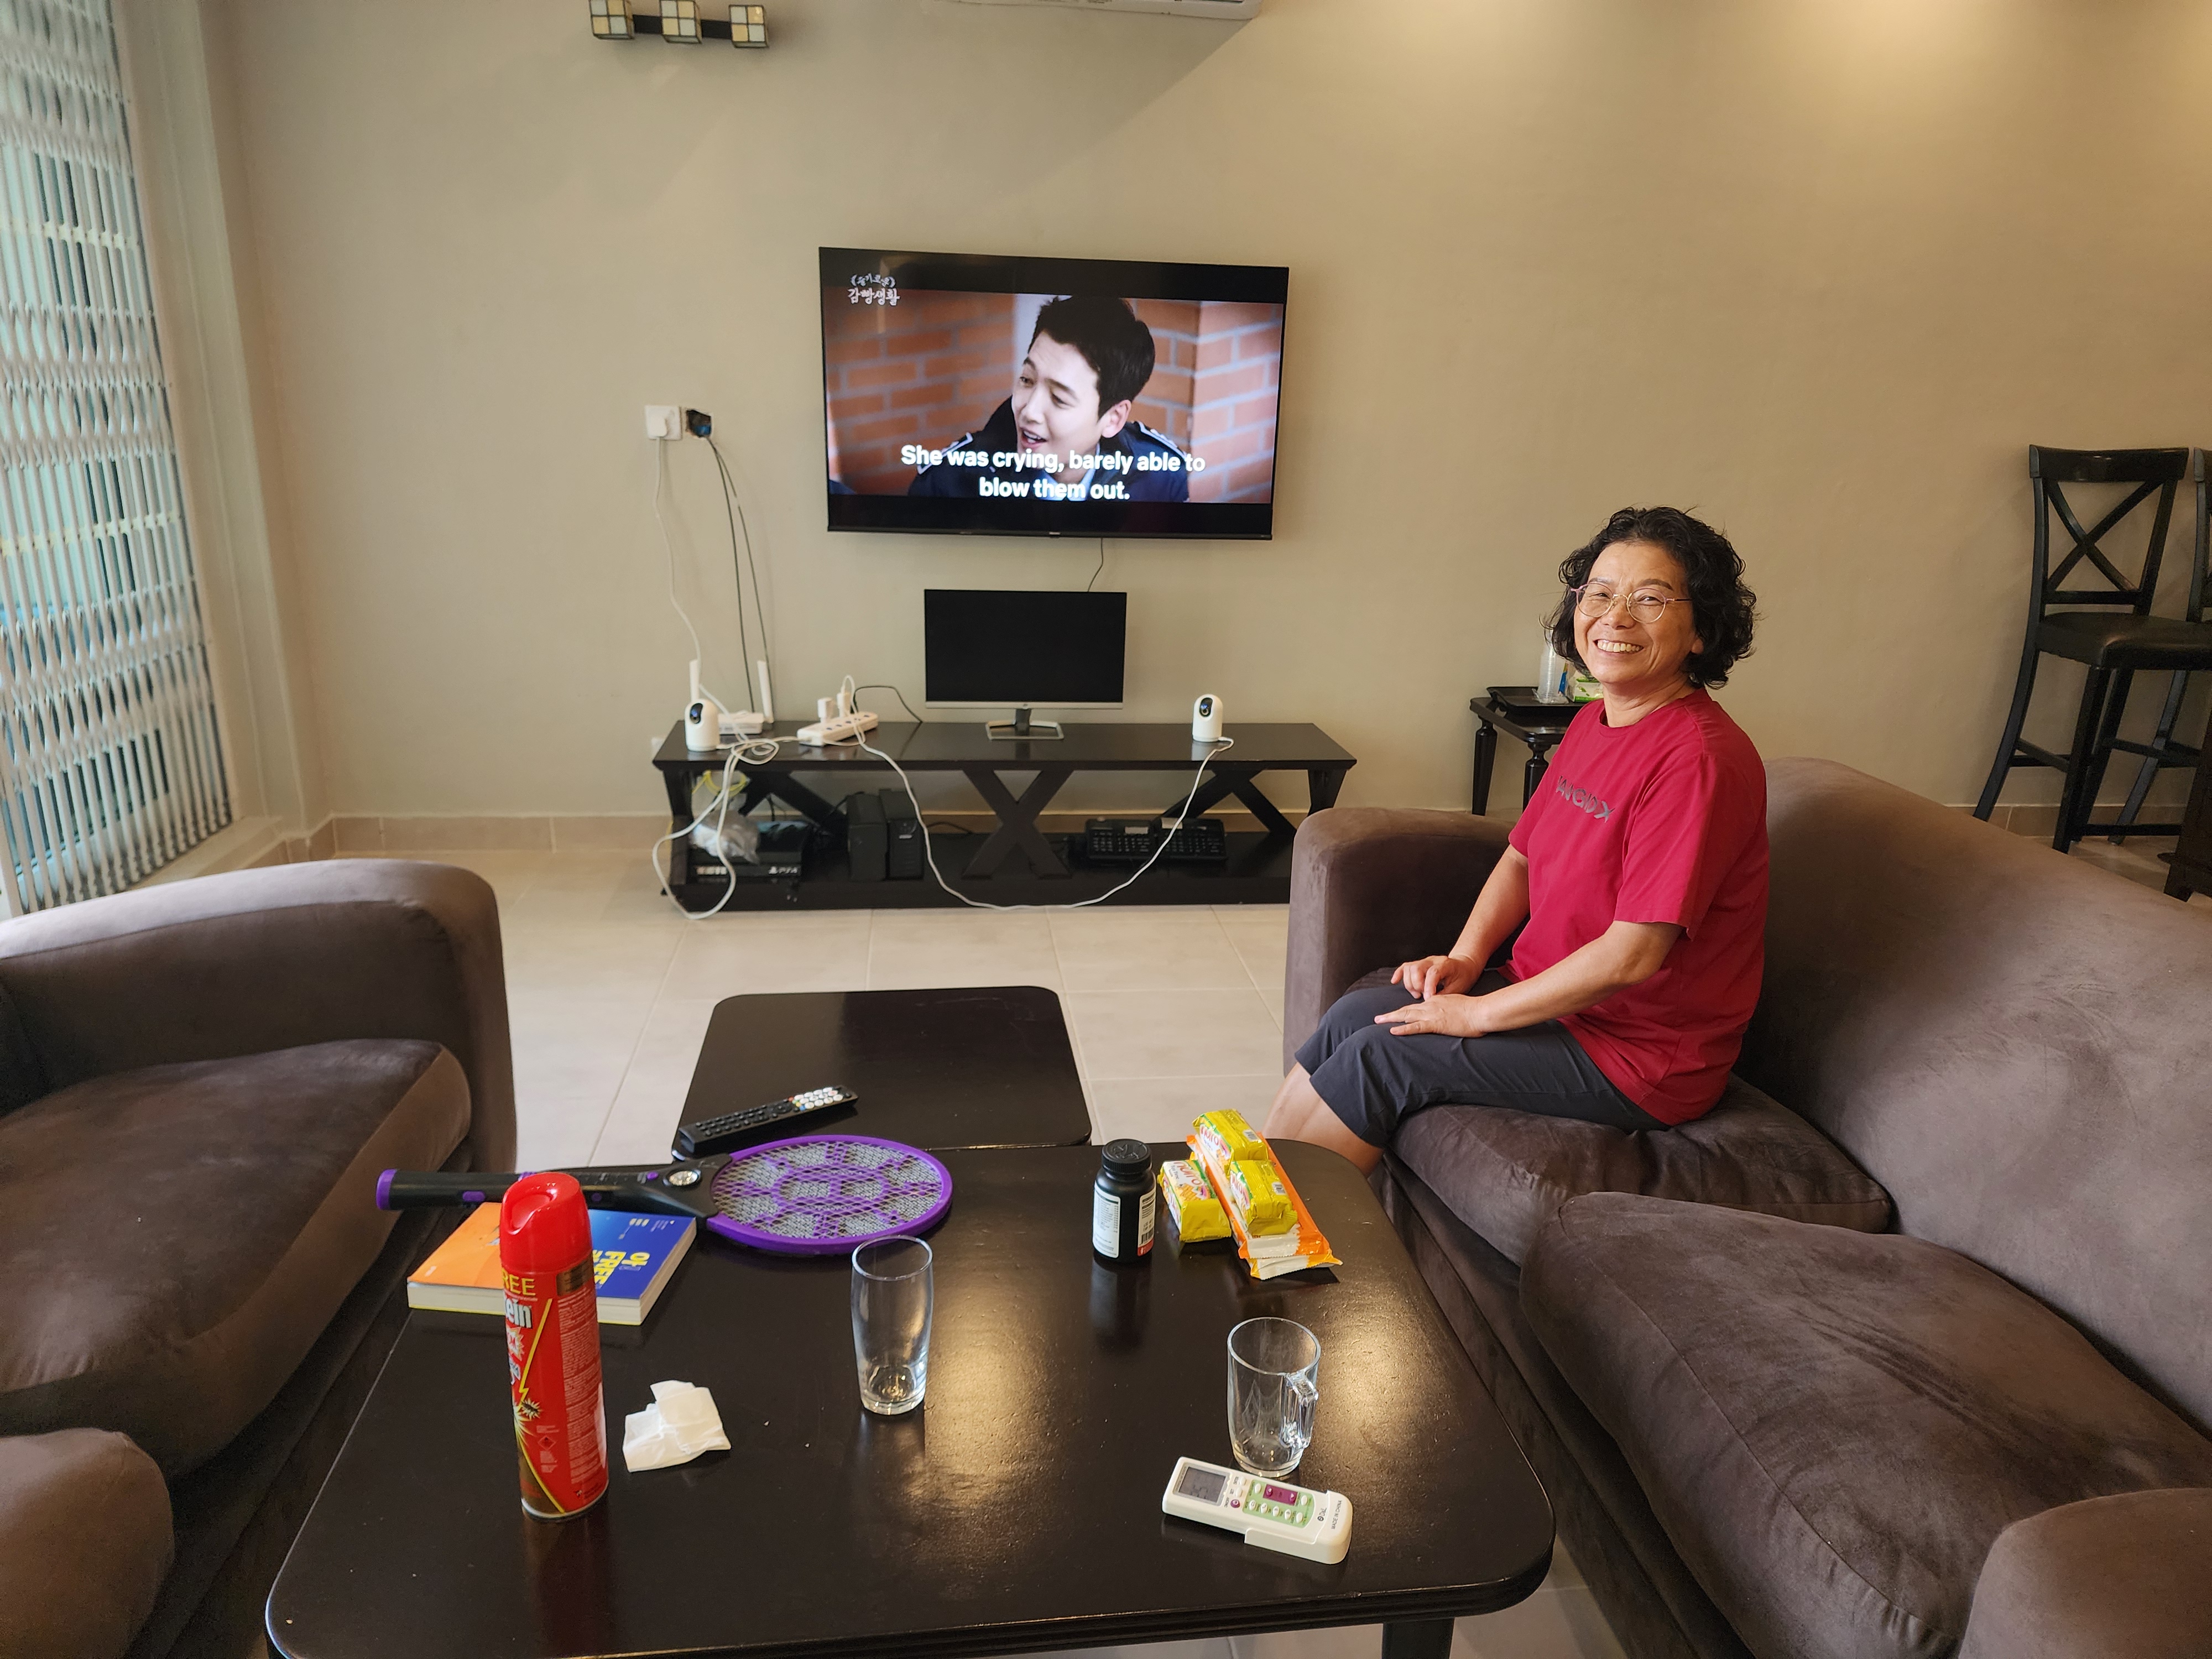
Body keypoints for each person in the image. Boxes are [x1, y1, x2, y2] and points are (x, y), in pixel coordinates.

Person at [1265, 507, 1766, 1174]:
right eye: (1598, 594)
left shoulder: (1698, 760)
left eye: (1649, 599)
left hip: (1635, 1054)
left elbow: (1632, 956)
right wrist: (1466, 959)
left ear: (1701, 629)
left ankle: (1279, 1230)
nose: (1615, 617)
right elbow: (1520, 858)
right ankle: (1238, 1193)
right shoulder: (1592, 722)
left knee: (1384, 1056)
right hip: (1551, 1001)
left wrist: (1476, 1016)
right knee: (1359, 1014)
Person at [907, 294, 1191, 502]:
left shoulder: (1161, 476)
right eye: (1027, 380)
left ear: (1113, 419)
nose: (1029, 411)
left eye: (1058, 398)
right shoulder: (950, 481)